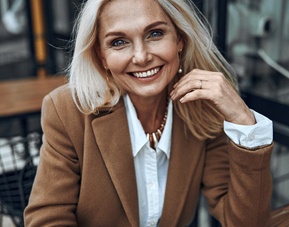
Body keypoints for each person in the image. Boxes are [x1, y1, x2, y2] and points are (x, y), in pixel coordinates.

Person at [24, 0, 274, 226]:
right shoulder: (68, 110)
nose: (141, 57)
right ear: (102, 56)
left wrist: (245, 123)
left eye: (155, 34)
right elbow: (47, 218)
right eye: (118, 42)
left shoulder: (202, 108)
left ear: (180, 39)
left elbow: (245, 222)